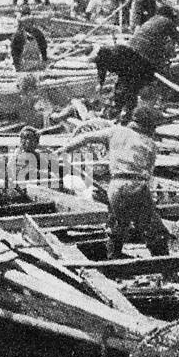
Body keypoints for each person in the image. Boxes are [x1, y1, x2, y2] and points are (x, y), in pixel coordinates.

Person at [58, 104, 169, 259]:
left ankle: (112, 261)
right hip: (137, 185)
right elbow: (149, 174)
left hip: (115, 187)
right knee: (155, 230)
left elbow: (85, 137)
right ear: (149, 125)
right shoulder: (150, 144)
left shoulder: (115, 131)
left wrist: (62, 150)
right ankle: (165, 266)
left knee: (118, 227)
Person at [10, 7, 49, 71]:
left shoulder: (37, 33)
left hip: (36, 65)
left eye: (30, 22)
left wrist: (44, 61)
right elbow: (15, 52)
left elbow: (43, 48)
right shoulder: (19, 35)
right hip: (23, 66)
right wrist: (17, 66)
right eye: (26, 22)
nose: (28, 24)